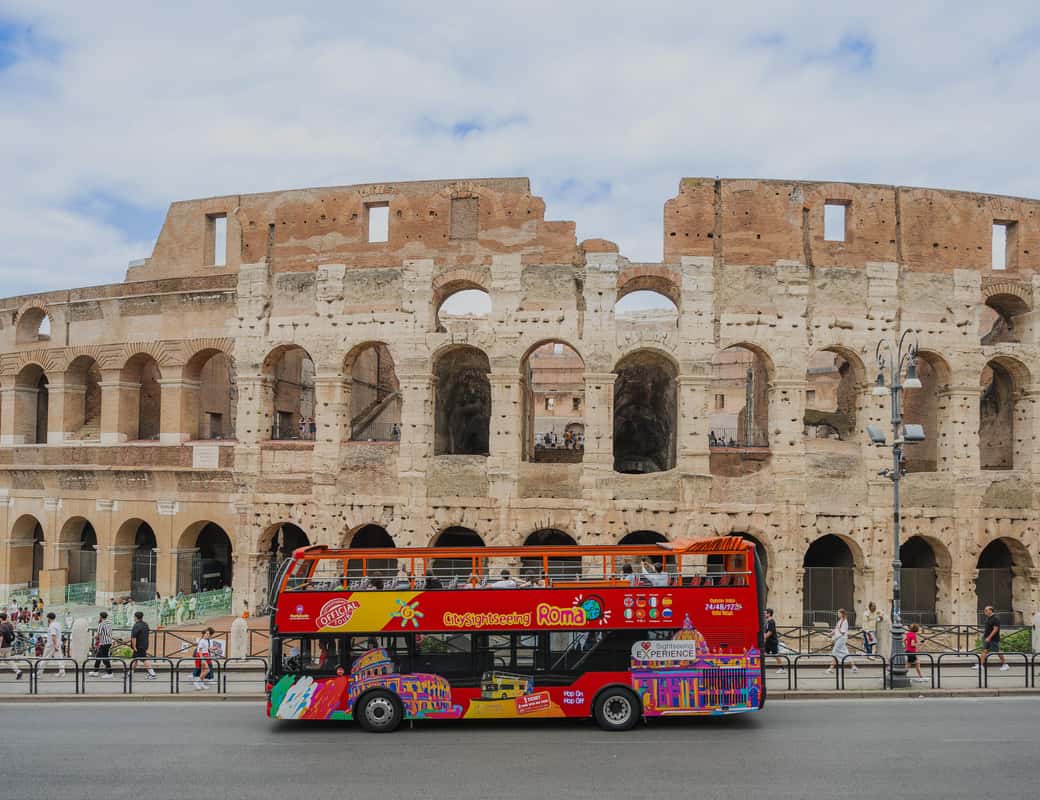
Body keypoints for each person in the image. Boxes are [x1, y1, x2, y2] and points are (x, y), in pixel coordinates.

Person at [974, 605, 1009, 671]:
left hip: (993, 638)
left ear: (990, 611)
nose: (985, 612)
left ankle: (1005, 664)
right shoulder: (988, 618)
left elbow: (995, 629)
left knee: (998, 651)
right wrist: (984, 635)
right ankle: (981, 665)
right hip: (986, 637)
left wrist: (989, 637)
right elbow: (988, 628)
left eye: (986, 610)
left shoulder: (995, 618)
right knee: (984, 650)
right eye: (985, 610)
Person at [826, 608, 857, 674]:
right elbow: (836, 629)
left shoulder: (845, 621)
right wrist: (830, 634)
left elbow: (842, 632)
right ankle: (853, 667)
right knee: (846, 653)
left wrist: (839, 629)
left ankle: (831, 668)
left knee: (835, 651)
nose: (838, 614)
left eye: (839, 613)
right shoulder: (840, 620)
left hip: (841, 638)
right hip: (840, 638)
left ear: (842, 614)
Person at [130, 611, 158, 680]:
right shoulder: (145, 624)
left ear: (136, 617)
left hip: (138, 646)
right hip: (144, 644)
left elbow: (134, 637)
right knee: (135, 659)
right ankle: (129, 673)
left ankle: (152, 674)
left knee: (144, 659)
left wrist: (134, 647)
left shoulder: (136, 625)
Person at [89, 611, 114, 679]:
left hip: (104, 643)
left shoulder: (101, 624)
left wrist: (92, 637)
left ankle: (110, 673)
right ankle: (95, 671)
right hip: (109, 642)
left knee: (105, 658)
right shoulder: (109, 623)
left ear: (100, 616)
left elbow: (98, 635)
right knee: (98, 657)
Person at [0, 612, 22, 680]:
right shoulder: (10, 625)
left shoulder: (1, 626)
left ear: (0, 619)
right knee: (8, 660)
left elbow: (1, 638)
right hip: (9, 646)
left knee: (7, 660)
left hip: (2, 647)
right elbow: (13, 634)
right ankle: (18, 671)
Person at [42, 612, 65, 677]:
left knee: (44, 659)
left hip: (51, 645)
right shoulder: (58, 624)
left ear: (49, 618)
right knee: (59, 658)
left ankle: (38, 673)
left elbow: (53, 636)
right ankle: (62, 672)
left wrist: (55, 645)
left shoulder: (52, 626)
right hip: (57, 643)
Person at [764, 608, 783, 673]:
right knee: (763, 653)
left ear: (769, 614)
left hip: (772, 641)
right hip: (768, 641)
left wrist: (764, 637)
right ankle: (760, 667)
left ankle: (781, 668)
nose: (764, 614)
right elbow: (766, 631)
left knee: (776, 655)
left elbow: (770, 632)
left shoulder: (771, 622)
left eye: (765, 613)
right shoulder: (768, 621)